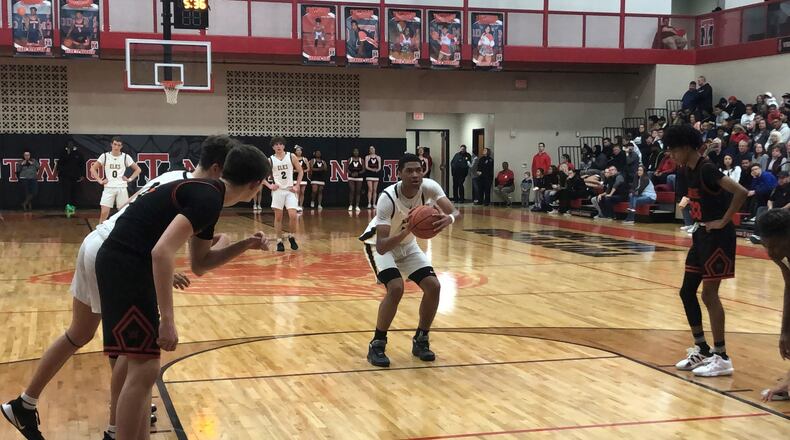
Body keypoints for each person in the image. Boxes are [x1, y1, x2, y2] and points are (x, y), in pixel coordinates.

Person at [0, 136, 240, 440]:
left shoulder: (173, 177)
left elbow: (135, 214)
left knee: (79, 333)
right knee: (131, 352)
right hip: (119, 256)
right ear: (221, 169)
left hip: (99, 240)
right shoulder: (204, 195)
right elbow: (158, 242)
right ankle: (117, 428)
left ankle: (25, 402)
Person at [94, 144, 269, 439]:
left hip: (122, 263)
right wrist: (168, 320)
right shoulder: (207, 198)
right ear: (255, 185)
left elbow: (200, 264)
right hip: (125, 266)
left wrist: (245, 244)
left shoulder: (210, 195)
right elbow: (162, 253)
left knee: (142, 366)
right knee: (145, 368)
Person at [360, 153, 461, 368]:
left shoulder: (430, 187)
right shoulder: (387, 198)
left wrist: (448, 218)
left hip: (408, 245)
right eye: (409, 171)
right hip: (379, 246)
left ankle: (421, 340)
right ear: (399, 173)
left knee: (433, 286)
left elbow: (455, 212)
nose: (415, 174)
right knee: (395, 288)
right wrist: (408, 230)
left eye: (419, 170)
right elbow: (382, 245)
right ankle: (377, 344)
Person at [665, 124, 747, 377]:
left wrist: (724, 220)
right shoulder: (686, 170)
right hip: (701, 234)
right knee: (687, 291)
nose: (671, 154)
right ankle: (702, 348)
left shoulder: (707, 168)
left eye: (673, 149)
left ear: (687, 146)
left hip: (718, 237)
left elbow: (741, 191)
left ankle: (721, 357)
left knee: (709, 295)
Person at [754, 210, 790, 402]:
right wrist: (785, 332)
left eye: (774, 246)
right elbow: (789, 288)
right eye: (766, 246)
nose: (770, 252)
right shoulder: (779, 254)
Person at [263, 137, 303, 252]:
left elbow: (300, 171)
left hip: (290, 190)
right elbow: (260, 176)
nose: (278, 146)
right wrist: (270, 186)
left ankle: (291, 236)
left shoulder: (291, 156)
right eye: (276, 145)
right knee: (278, 217)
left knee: (293, 215)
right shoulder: (270, 160)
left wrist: (297, 185)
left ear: (284, 146)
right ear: (273, 147)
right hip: (278, 191)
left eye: (280, 144)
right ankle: (279, 241)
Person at [91, 137, 142, 224]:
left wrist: (129, 179)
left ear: (121, 146)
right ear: (111, 144)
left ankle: (121, 232)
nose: (116, 147)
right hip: (109, 187)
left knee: (123, 212)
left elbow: (138, 169)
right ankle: (99, 232)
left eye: (118, 145)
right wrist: (100, 180)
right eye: (115, 144)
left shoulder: (125, 157)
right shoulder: (105, 156)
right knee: (104, 213)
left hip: (121, 187)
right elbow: (93, 169)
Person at [54, 141, 85, 217]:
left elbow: (82, 165)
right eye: (68, 145)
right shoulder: (63, 153)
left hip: (75, 177)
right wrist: (59, 173)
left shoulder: (78, 153)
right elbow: (59, 164)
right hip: (65, 177)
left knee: (73, 193)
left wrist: (82, 175)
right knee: (66, 193)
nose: (70, 146)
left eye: (71, 144)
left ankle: (72, 208)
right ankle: (67, 209)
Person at [348, 148, 364, 212]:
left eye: (357, 151)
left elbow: (364, 169)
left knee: (358, 191)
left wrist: (358, 173)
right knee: (352, 190)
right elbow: (346, 169)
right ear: (353, 152)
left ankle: (357, 205)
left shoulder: (361, 160)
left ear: (358, 152)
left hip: (359, 177)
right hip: (351, 177)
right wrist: (351, 173)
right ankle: (351, 205)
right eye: (354, 151)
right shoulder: (350, 159)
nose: (356, 152)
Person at [293, 146, 309, 213]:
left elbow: (308, 168)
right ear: (295, 152)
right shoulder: (293, 158)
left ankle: (301, 205)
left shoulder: (304, 159)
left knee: (302, 192)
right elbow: (291, 168)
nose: (299, 152)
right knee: (297, 191)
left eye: (300, 150)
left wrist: (302, 171)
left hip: (303, 177)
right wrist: (296, 171)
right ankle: (296, 205)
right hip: (295, 177)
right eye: (297, 150)